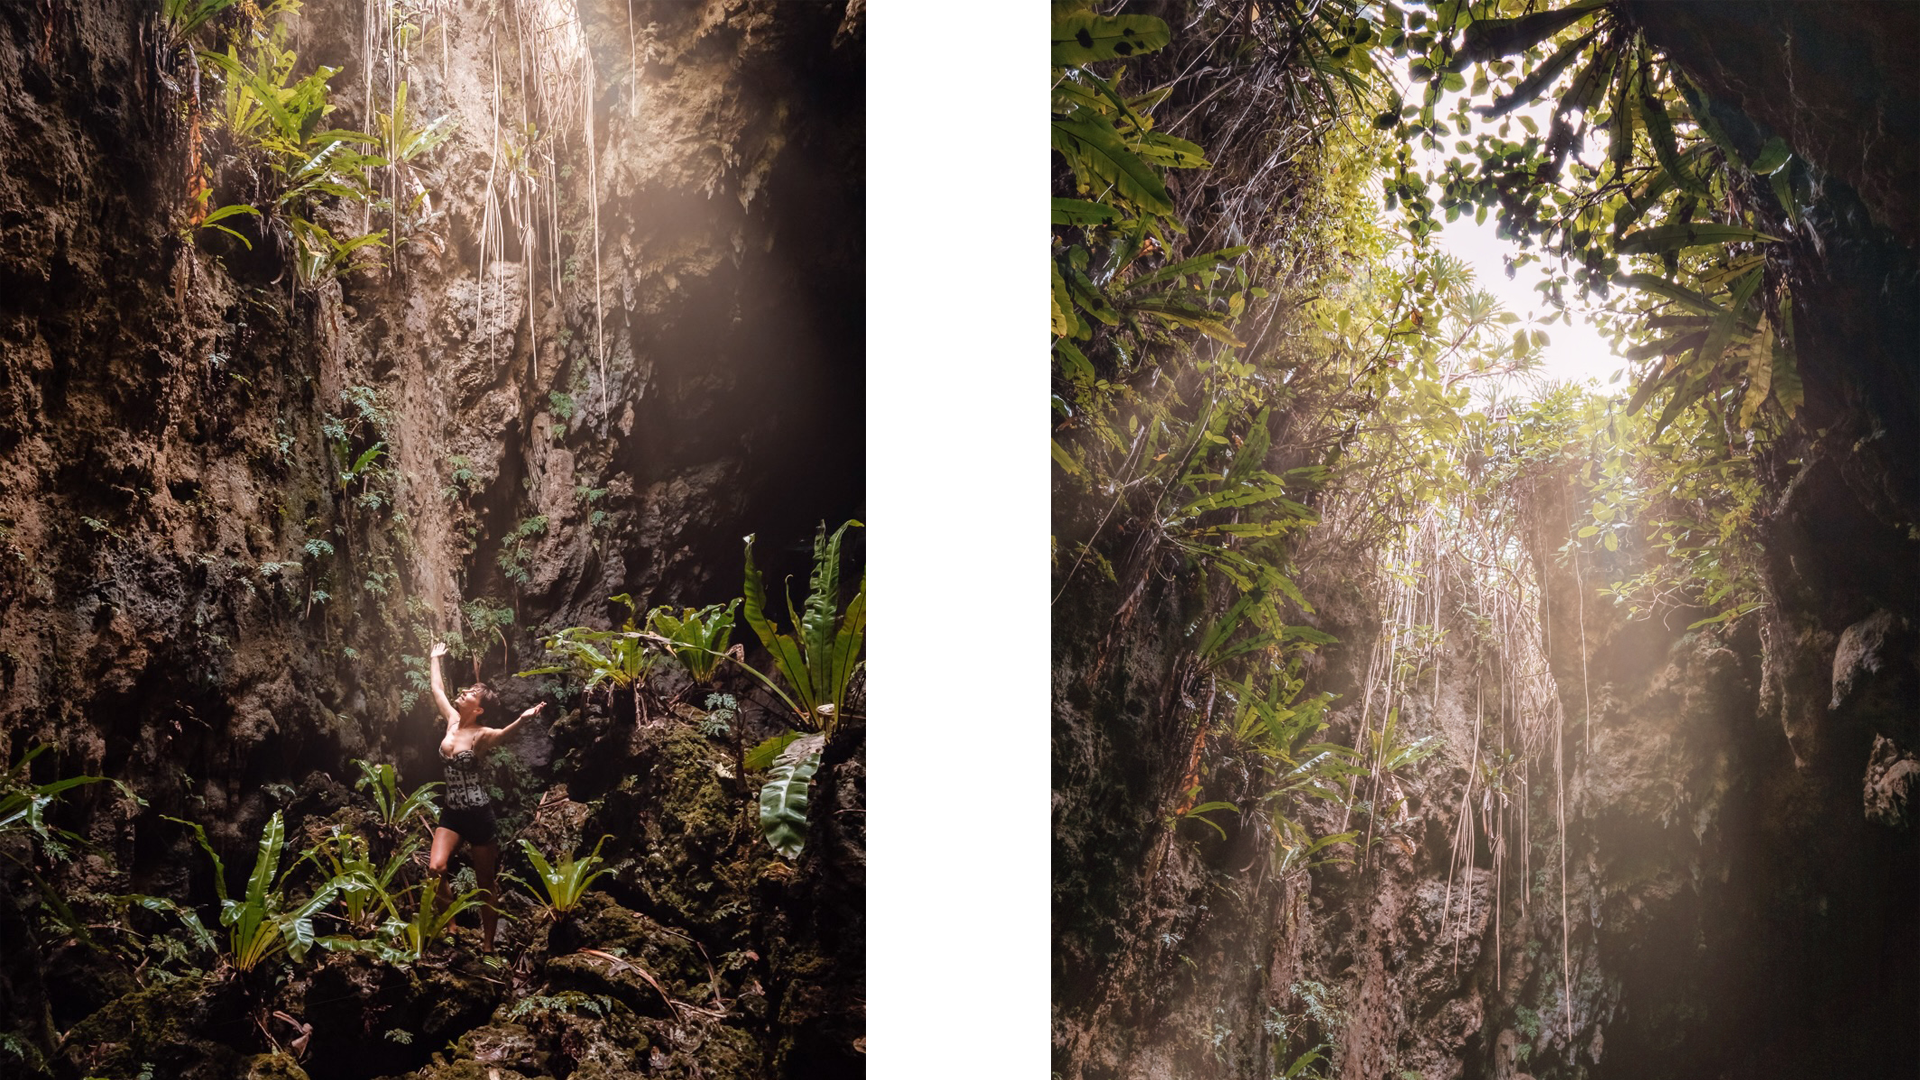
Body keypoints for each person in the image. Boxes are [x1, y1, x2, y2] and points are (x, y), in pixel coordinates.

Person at [426, 640, 545, 952]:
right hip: (452, 813)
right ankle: (451, 927)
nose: (463, 693)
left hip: (479, 816)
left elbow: (505, 734)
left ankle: (488, 945)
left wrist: (524, 717)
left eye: (470, 694)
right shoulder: (452, 721)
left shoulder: (481, 736)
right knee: (435, 868)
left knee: (484, 883)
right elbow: (437, 691)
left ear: (478, 709)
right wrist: (434, 659)